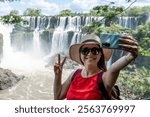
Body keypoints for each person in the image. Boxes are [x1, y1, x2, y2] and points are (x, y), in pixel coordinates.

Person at [53, 34, 138, 100]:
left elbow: (114, 68)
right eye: (85, 50)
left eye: (95, 51)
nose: (89, 54)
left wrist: (130, 56)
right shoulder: (74, 75)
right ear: (80, 54)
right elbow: (58, 97)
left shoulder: (104, 78)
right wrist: (58, 75)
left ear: (101, 54)